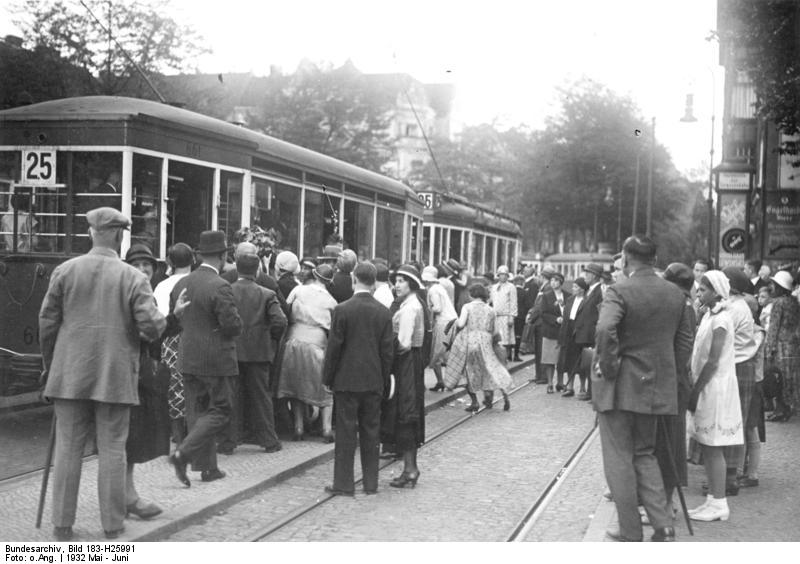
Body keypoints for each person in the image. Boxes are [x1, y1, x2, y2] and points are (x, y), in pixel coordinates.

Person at [39, 207, 166, 540]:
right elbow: (152, 328)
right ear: (120, 236)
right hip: (115, 376)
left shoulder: (65, 271)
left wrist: (50, 366)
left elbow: (47, 324)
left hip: (68, 375)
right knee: (112, 450)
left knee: (67, 449)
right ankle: (112, 525)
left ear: (92, 234)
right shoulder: (133, 277)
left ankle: (62, 526)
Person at [593, 235, 693, 542]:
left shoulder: (618, 290)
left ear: (626, 258)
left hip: (620, 388)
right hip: (655, 390)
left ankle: (630, 530)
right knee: (645, 454)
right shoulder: (675, 295)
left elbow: (604, 328)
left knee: (619, 459)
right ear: (654, 258)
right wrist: (667, 376)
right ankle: (662, 525)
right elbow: (684, 341)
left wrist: (610, 368)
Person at [168, 230, 242, 487]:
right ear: (223, 256)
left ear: (200, 255)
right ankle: (183, 454)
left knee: (198, 413)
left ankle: (208, 468)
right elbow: (231, 326)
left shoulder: (181, 284)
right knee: (220, 410)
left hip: (188, 357)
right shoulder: (220, 286)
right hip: (216, 360)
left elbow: (175, 319)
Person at [322, 262, 394, 496]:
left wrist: (328, 377)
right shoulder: (384, 312)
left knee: (345, 432)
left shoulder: (342, 309)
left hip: (346, 380)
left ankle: (343, 483)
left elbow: (334, 348)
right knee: (371, 431)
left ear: (354, 279)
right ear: (374, 282)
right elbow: (387, 352)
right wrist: (384, 381)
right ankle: (370, 483)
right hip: (373, 380)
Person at [687, 270, 743, 522]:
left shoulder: (721, 319)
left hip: (715, 386)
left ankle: (720, 502)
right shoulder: (710, 315)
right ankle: (712, 500)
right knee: (707, 444)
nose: (699, 293)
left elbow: (712, 361)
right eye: (698, 289)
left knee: (713, 445)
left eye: (704, 290)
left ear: (717, 291)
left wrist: (695, 390)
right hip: (708, 384)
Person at [121, 244, 171, 521]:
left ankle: (126, 495)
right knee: (125, 438)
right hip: (131, 373)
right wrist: (171, 320)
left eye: (147, 265)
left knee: (132, 438)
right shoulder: (131, 292)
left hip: (140, 373)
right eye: (137, 265)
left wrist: (175, 318)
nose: (143, 269)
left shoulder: (146, 292)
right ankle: (125, 498)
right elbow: (145, 333)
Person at [230, 253, 287, 453]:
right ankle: (269, 440)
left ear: (237, 268)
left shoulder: (227, 291)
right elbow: (280, 321)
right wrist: (270, 339)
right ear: (257, 271)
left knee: (232, 396)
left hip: (233, 351)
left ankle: (230, 440)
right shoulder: (267, 294)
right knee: (262, 397)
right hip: (259, 353)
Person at [277, 263, 338, 441]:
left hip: (293, 340)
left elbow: (285, 310)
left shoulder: (298, 290)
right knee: (324, 388)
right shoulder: (331, 301)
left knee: (296, 385)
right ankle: (326, 429)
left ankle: (298, 428)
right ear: (328, 281)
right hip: (317, 344)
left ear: (314, 275)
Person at [381, 265, 426, 488]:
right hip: (412, 363)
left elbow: (404, 344)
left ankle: (410, 469)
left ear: (412, 284)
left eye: (401, 281)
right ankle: (410, 468)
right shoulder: (413, 304)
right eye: (395, 280)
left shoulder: (409, 308)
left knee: (405, 413)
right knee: (408, 413)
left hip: (406, 364)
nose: (396, 285)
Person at [659, 262, 697, 522]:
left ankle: (668, 502)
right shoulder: (680, 304)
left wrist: (668, 379)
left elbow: (683, 348)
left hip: (673, 383)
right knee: (666, 440)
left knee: (671, 441)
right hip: (672, 381)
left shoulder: (682, 306)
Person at [720, 267, 759, 496]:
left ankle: (729, 476)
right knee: (733, 422)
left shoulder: (735, 309)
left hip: (737, 367)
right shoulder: (736, 306)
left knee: (733, 422)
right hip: (738, 367)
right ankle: (727, 475)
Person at [445, 283, 513, 412]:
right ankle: (500, 395)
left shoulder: (467, 307)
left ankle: (474, 402)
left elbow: (460, 323)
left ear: (471, 295)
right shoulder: (490, 310)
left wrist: (455, 322)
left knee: (470, 372)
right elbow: (496, 331)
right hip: (486, 342)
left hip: (470, 342)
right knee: (489, 370)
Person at [153, 243, 194, 443]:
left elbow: (160, 316)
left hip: (171, 339)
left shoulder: (162, 286)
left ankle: (178, 437)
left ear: (170, 262)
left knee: (175, 387)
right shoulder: (197, 281)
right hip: (195, 338)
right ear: (192, 260)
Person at [764, 270, 800, 421]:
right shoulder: (794, 302)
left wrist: (769, 348)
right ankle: (787, 407)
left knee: (777, 377)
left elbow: (774, 327)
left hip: (780, 345)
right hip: (793, 344)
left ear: (780, 287)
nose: (772, 287)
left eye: (774, 284)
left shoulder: (778, 303)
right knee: (789, 378)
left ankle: (780, 409)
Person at [422, 266, 457, 392]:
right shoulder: (439, 287)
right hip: (451, 320)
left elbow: (438, 308)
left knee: (437, 352)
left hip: (443, 322)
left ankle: (447, 381)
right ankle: (443, 381)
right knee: (444, 352)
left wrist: (427, 309)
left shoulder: (433, 290)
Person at [574, 263, 604, 401]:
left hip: (591, 334)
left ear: (594, 275)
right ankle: (590, 392)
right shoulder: (590, 290)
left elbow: (600, 313)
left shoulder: (599, 292)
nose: (585, 276)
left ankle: (593, 393)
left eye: (587, 273)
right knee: (587, 363)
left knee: (592, 362)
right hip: (584, 333)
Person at [540, 272, 570, 393]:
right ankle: (550, 383)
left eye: (556, 280)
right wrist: (555, 319)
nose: (553, 283)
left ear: (561, 282)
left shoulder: (568, 296)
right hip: (551, 331)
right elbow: (543, 313)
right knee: (550, 359)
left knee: (562, 359)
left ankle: (560, 382)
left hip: (563, 332)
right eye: (551, 280)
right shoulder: (546, 296)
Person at [559, 278, 587, 397]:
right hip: (569, 330)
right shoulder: (570, 299)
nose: (573, 289)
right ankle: (570, 387)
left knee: (582, 360)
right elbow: (566, 317)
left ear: (582, 289)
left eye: (575, 287)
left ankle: (582, 387)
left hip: (580, 331)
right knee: (569, 360)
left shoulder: (586, 300)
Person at [489, 265, 518, 363]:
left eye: (505, 275)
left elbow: (513, 302)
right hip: (496, 316)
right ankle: (496, 359)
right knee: (496, 338)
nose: (503, 277)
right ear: (498, 275)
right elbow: (491, 301)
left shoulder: (511, 287)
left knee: (506, 340)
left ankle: (505, 359)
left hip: (506, 316)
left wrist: (511, 317)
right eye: (501, 275)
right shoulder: (494, 287)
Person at [512, 275, 528, 362]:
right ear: (522, 283)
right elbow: (527, 305)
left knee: (511, 335)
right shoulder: (524, 292)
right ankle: (516, 355)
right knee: (518, 336)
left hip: (511, 316)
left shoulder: (512, 291)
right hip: (521, 316)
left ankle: (509, 355)